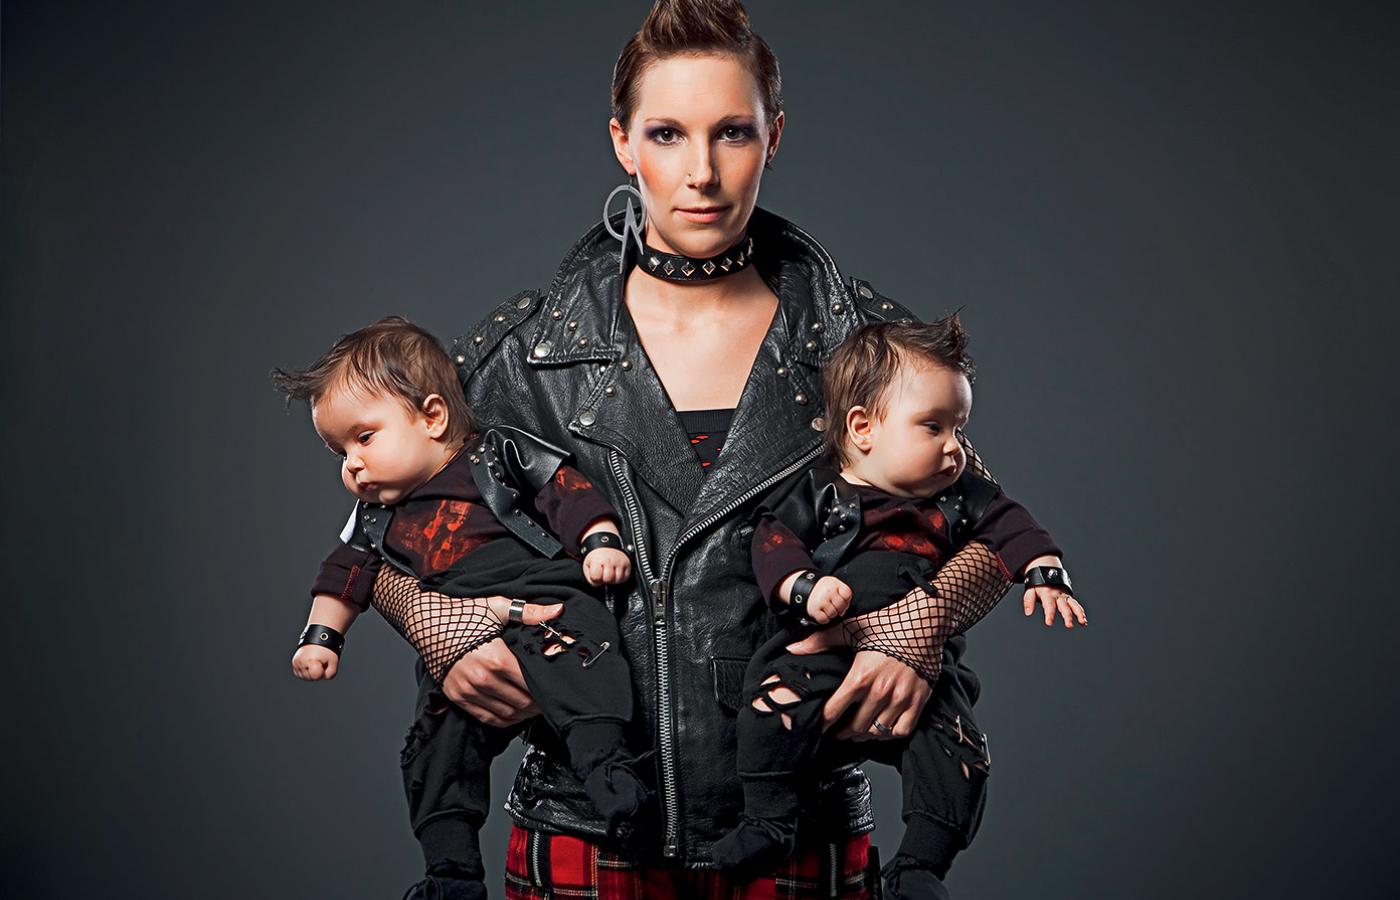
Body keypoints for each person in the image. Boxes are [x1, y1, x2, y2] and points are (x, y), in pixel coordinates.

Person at [375, 1, 1048, 895]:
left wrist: (917, 626)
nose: (701, 172)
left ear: (775, 137)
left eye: (732, 132)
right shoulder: (527, 354)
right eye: (667, 134)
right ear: (622, 143)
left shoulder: (861, 344)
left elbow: (990, 530)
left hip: (797, 832)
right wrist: (436, 625)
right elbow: (376, 534)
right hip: (583, 831)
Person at [274, 317, 653, 900]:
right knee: (433, 750)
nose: (351, 463)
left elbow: (565, 490)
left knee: (585, 663)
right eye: (339, 451)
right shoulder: (374, 516)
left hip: (544, 596)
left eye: (364, 438)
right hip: (459, 635)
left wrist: (599, 540)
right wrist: (321, 636)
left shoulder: (496, 454)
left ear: (432, 417)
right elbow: (344, 575)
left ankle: (609, 770)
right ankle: (450, 872)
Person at [711, 315, 1086, 897]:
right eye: (934, 427)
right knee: (769, 706)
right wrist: (803, 587)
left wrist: (1043, 572)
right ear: (862, 427)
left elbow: (1013, 525)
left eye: (959, 428)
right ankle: (769, 819)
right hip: (820, 649)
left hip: (923, 666)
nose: (954, 447)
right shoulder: (819, 489)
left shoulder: (960, 492)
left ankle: (919, 866)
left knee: (959, 753)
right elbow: (772, 540)